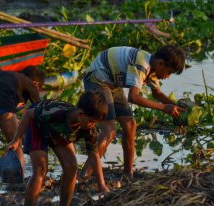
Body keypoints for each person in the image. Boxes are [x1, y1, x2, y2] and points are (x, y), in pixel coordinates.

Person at [80, 45, 186, 181]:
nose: (167, 76)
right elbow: (133, 97)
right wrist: (164, 108)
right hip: (97, 80)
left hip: (112, 83)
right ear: (161, 63)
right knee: (109, 131)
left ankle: (128, 174)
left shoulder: (151, 70)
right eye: (169, 72)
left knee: (130, 125)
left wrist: (176, 105)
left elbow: (157, 93)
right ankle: (83, 176)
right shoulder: (142, 65)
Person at [8, 91, 109, 206]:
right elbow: (28, 114)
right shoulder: (56, 112)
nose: (92, 125)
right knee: (41, 168)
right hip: (38, 125)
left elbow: (94, 155)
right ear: (81, 114)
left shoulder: (89, 130)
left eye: (95, 123)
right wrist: (16, 140)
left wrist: (101, 184)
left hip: (57, 133)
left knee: (71, 167)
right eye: (91, 121)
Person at [0, 66, 45, 180]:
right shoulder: (30, 83)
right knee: (16, 144)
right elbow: (39, 110)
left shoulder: (10, 77)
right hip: (1, 99)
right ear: (36, 83)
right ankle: (18, 182)